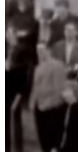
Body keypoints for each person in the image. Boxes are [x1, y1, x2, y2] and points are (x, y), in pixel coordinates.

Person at [29, 43, 67, 152]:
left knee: (53, 138)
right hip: (39, 107)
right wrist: (33, 102)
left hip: (52, 108)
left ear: (49, 50)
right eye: (37, 51)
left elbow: (59, 88)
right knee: (43, 137)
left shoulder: (57, 65)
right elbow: (35, 87)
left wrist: (49, 104)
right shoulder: (38, 67)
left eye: (42, 50)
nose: (39, 53)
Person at [6, 24, 31, 152]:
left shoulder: (22, 50)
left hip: (17, 90)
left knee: (16, 119)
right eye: (7, 34)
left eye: (11, 33)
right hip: (5, 89)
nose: (9, 36)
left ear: (16, 34)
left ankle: (19, 148)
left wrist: (10, 67)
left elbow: (25, 71)